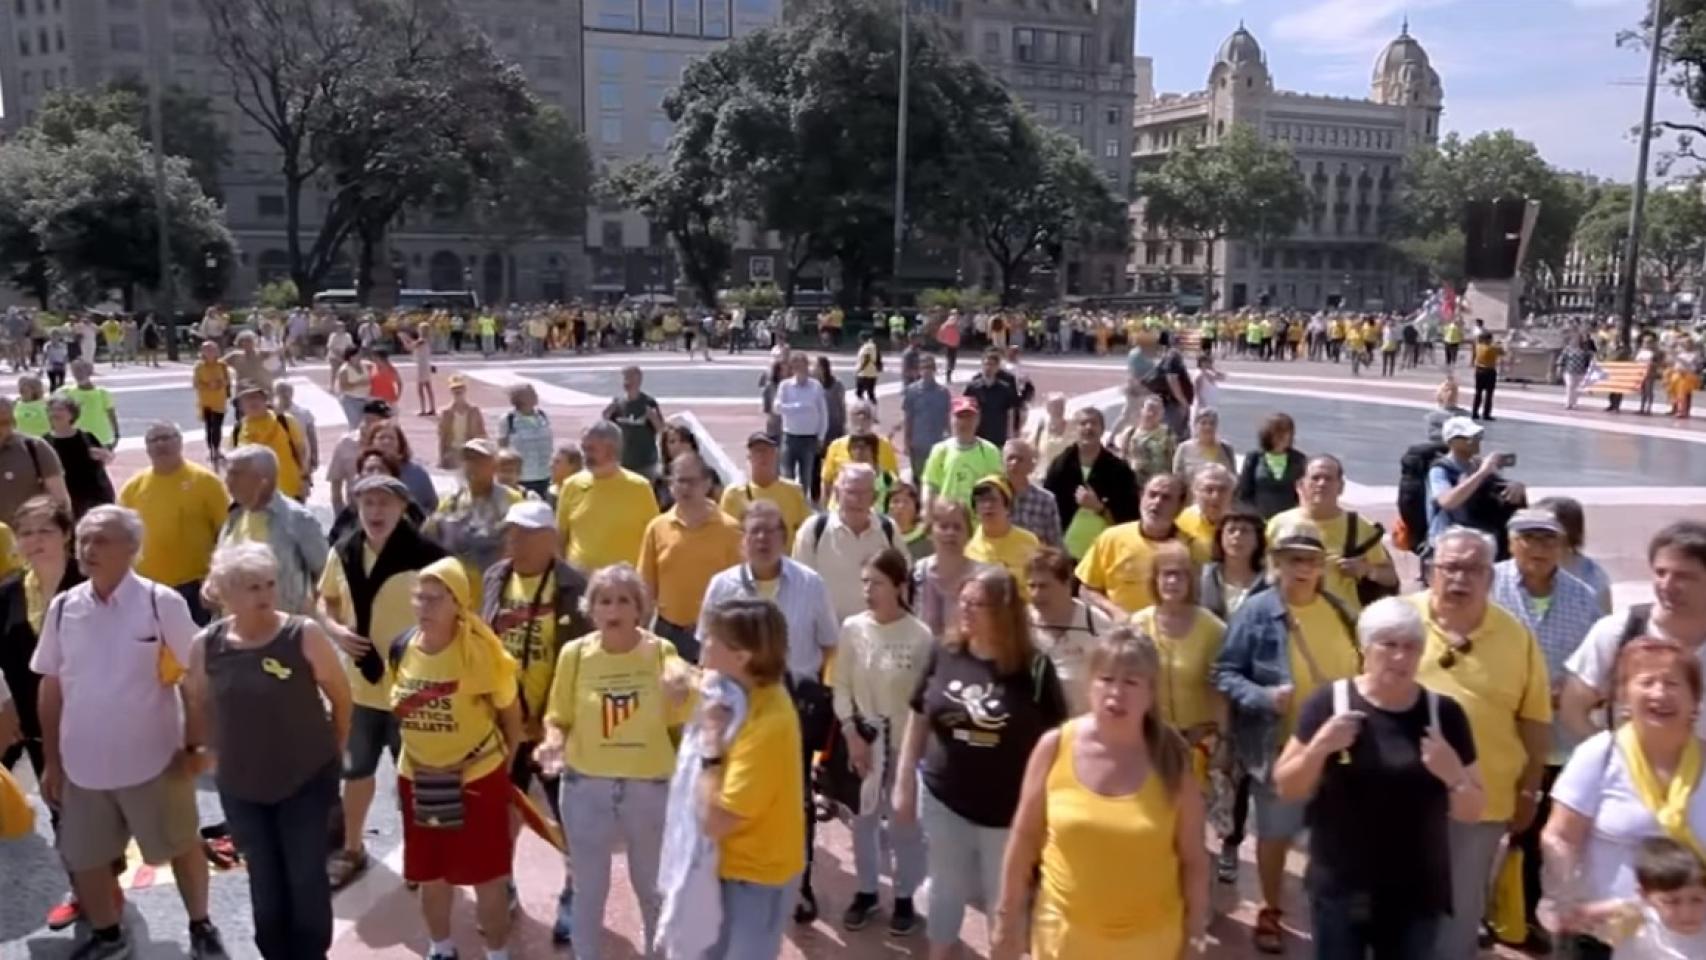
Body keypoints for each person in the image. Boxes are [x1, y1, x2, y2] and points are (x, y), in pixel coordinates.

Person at [31, 506, 229, 960]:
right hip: (83, 764)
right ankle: (108, 935)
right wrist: (52, 762)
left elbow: (196, 679)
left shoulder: (162, 604)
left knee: (182, 845)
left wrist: (197, 744)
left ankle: (201, 926)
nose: (87, 549)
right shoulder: (64, 607)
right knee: (85, 857)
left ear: (132, 549)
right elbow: (51, 685)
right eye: (83, 539)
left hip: (155, 758)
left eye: (100, 539)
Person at [1273, 597, 1484, 960]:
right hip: (1340, 887)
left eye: (1411, 647)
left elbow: (1472, 810)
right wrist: (1319, 748)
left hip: (1416, 892)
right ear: (1365, 648)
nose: (1401, 658)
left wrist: (1452, 774)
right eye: (1389, 645)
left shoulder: (1443, 715)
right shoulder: (1330, 703)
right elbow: (1287, 786)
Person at [994, 628, 1210, 959]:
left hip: (1150, 944)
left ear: (1151, 693)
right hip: (1062, 941)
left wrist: (1195, 933)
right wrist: (1007, 920)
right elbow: (1024, 840)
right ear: (1089, 684)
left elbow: (1193, 859)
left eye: (1131, 682)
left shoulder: (1172, 759)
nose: (1116, 693)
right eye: (1106, 679)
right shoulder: (1054, 747)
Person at [184, 542, 351, 960]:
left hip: (306, 780)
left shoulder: (302, 635)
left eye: (269, 585)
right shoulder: (207, 645)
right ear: (225, 593)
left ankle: (312, 954)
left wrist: (337, 746)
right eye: (252, 587)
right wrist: (201, 748)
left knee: (305, 876)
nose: (265, 596)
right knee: (265, 880)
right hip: (242, 786)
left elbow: (340, 694)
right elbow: (198, 701)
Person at [893, 566, 1068, 960]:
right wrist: (904, 784)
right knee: (944, 888)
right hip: (944, 799)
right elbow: (919, 717)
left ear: (1004, 612)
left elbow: (1057, 741)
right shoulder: (944, 651)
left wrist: (1048, 809)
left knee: (1004, 900)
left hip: (1009, 813)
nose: (965, 610)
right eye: (963, 601)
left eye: (978, 604)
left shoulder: (1035, 669)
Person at [1213, 518, 1362, 954]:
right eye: (1293, 559)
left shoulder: (1339, 611)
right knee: (1275, 833)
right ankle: (1272, 908)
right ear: (1277, 562)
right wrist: (1261, 695)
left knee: (1329, 834)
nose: (1303, 568)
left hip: (1338, 748)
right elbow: (1223, 672)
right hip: (1279, 744)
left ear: (1322, 566)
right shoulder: (1257, 611)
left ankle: (1324, 907)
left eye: (1311, 560)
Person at [534, 564, 693, 960]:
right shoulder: (575, 655)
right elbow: (558, 716)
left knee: (653, 889)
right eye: (605, 600)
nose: (614, 608)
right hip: (586, 787)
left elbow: (682, 708)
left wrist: (682, 690)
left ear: (639, 608)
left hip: (649, 788)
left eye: (624, 599)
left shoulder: (661, 653)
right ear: (592, 609)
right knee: (589, 890)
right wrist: (553, 743)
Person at [1410, 527, 1554, 959]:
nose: (1460, 578)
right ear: (1431, 572)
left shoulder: (1517, 637)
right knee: (1393, 902)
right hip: (1397, 795)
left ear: (1490, 578)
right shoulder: (1394, 621)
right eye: (1450, 567)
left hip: (1482, 799)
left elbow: (1535, 719)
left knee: (1460, 908)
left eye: (1473, 569)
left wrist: (1529, 788)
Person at [699, 500, 839, 921]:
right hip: (732, 709)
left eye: (771, 531)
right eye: (754, 531)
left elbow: (831, 644)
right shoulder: (721, 587)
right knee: (729, 793)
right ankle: (728, 879)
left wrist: (825, 702)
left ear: (784, 537)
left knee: (795, 800)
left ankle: (800, 884)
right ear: (742, 539)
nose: (762, 539)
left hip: (791, 707)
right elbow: (705, 650)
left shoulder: (811, 584)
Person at [318, 474, 447, 891]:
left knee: (415, 778)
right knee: (356, 773)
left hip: (412, 688)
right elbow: (325, 600)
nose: (375, 511)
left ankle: (419, 850)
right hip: (360, 687)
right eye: (368, 502)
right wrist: (335, 630)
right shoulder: (344, 551)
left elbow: (455, 613)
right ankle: (353, 849)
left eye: (384, 503)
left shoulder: (428, 557)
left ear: (402, 507)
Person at [390, 557, 523, 960]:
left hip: (477, 779)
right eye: (419, 597)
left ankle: (496, 954)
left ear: (457, 603)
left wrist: (504, 766)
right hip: (418, 778)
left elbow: (511, 717)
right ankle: (441, 948)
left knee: (488, 878)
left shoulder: (483, 654)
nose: (423, 607)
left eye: (434, 599)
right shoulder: (401, 647)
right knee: (432, 877)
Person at [1543, 637, 1706, 960]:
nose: (1660, 694)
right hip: (1608, 938)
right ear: (1624, 697)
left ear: (1695, 700)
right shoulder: (1599, 754)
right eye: (1647, 682)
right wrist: (1567, 897)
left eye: (1672, 683)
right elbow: (1560, 836)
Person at [689, 597, 807, 960]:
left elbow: (717, 821)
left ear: (740, 657)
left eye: (711, 638)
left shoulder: (769, 725)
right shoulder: (740, 689)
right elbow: (694, 678)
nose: (702, 643)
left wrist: (710, 748)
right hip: (726, 869)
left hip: (757, 880)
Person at [0, 496, 94, 931]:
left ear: (67, 535)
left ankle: (103, 879)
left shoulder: (92, 584)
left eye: (45, 531)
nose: (35, 541)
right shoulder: (7, 594)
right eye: (26, 533)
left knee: (104, 808)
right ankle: (84, 890)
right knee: (60, 805)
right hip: (40, 725)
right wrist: (4, 706)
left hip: (99, 717)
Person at [832, 549, 933, 935]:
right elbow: (841, 686)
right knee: (863, 820)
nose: (868, 591)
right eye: (865, 583)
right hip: (863, 740)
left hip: (904, 746)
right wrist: (851, 733)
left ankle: (905, 896)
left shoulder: (920, 636)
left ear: (899, 586)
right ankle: (867, 891)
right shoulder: (853, 628)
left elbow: (925, 700)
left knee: (906, 822)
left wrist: (913, 753)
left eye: (876, 583)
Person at [1561, 520, 1706, 743]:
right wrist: (1613, 758)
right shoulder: (1619, 632)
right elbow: (1573, 708)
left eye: (1683, 576)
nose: (1667, 585)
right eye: (1660, 573)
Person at [118, 422, 230, 624]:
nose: (161, 444)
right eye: (154, 440)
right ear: (147, 448)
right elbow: (121, 537)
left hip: (194, 584)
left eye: (167, 437)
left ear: (180, 441)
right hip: (148, 586)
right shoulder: (133, 488)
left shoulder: (206, 482)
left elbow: (226, 533)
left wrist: (217, 578)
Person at [639, 453, 743, 662]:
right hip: (668, 632)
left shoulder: (731, 530)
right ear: (671, 485)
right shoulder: (656, 528)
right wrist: (640, 635)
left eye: (692, 481)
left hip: (716, 635)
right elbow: (646, 589)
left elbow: (742, 590)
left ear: (706, 484)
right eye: (680, 481)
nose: (686, 488)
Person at [1131, 541, 1228, 764]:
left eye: (1180, 575)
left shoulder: (1213, 629)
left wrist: (1221, 738)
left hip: (1201, 743)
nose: (1172, 581)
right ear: (1155, 580)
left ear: (1191, 580)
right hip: (1150, 740)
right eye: (1166, 574)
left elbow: (1223, 691)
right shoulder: (1137, 625)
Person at [1267, 455, 1398, 614]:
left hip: (1342, 621)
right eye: (1315, 478)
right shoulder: (1278, 524)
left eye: (1328, 478)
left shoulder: (1359, 527)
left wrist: (1366, 569)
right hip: (1288, 617)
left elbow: (1390, 577)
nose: (1321, 484)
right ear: (1300, 485)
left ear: (1340, 487)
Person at [219, 445, 329, 615]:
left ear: (263, 481)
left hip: (283, 632)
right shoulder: (234, 517)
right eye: (228, 473)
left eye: (236, 474)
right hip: (239, 632)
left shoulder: (296, 520)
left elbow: (326, 575)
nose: (227, 481)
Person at [1076, 473, 1197, 619]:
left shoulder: (1190, 547)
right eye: (1152, 495)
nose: (1157, 502)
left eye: (1166, 498)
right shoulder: (1111, 538)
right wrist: (1115, 612)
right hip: (1120, 631)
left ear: (1180, 506)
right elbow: (1086, 589)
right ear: (1141, 497)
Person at [556, 419, 660, 573]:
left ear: (612, 450)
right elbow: (560, 538)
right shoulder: (571, 485)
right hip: (579, 584)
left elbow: (655, 538)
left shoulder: (640, 488)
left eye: (591, 449)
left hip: (623, 586)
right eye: (584, 449)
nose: (585, 455)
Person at [1042, 406, 1139, 560]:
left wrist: (1099, 508)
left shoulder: (1119, 470)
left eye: (1094, 423)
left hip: (1104, 554)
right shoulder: (1061, 466)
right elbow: (1046, 511)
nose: (1088, 428)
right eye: (1083, 423)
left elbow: (1130, 519)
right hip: (1064, 556)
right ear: (1074, 429)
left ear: (1102, 430)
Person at [1027, 546, 1115, 716]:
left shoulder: (1096, 624)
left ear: (1067, 584)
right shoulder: (1022, 623)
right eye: (1032, 586)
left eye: (1044, 586)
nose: (1036, 594)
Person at [1427, 416, 1526, 555]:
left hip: (1478, 533)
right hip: (1449, 538)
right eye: (1470, 437)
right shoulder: (1440, 469)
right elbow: (1447, 501)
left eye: (1478, 436)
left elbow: (1497, 486)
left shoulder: (1476, 463)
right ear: (1453, 442)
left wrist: (1516, 486)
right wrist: (1482, 473)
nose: (1477, 440)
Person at [912, 498, 989, 638]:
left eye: (957, 527)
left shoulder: (983, 577)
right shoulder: (916, 574)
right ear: (930, 532)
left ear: (969, 534)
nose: (950, 533)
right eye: (944, 526)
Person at [719, 432, 812, 544]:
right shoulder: (733, 494)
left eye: (766, 450)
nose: (762, 455)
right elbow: (724, 534)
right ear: (749, 457)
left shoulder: (793, 491)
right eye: (757, 451)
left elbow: (807, 530)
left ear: (775, 455)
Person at [919, 396, 1004, 512]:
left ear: (978, 419)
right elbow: (930, 486)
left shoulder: (990, 451)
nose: (964, 422)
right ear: (951, 419)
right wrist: (928, 512)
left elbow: (997, 488)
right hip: (949, 522)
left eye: (969, 417)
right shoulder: (940, 450)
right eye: (960, 417)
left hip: (979, 522)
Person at [966, 475, 1042, 599]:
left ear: (1007, 507)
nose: (987, 505)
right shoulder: (968, 548)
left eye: (993, 499)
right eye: (981, 501)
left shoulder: (1029, 541)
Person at [233, 382, 312, 502]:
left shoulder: (285, 421)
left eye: (256, 397)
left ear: (265, 400)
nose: (252, 402)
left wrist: (305, 478)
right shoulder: (238, 430)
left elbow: (302, 451)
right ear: (240, 406)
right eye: (247, 399)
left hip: (290, 492)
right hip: (257, 498)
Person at [1537, 495, 1615, 613]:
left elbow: (1602, 621)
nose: (1537, 538)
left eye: (1547, 532)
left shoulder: (1593, 577)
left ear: (1570, 532)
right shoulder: (1514, 571)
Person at [0, 396, 69, 525]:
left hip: (26, 538)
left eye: (3, 423)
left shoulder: (35, 448)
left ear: (14, 422)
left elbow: (60, 500)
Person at [45, 395, 115, 519]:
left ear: (72, 414)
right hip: (64, 496)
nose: (55, 413)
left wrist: (103, 455)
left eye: (60, 409)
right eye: (52, 410)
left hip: (93, 495)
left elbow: (107, 458)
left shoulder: (86, 437)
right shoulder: (45, 442)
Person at [773, 353, 828, 501]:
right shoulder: (785, 386)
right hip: (790, 436)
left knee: (806, 476)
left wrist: (821, 436)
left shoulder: (815, 387)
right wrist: (799, 407)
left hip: (809, 437)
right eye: (795, 364)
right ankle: (788, 503)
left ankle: (801, 505)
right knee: (787, 474)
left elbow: (823, 413)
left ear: (806, 365)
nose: (799, 367)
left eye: (802, 364)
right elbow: (777, 408)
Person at [1236, 412, 1308, 520]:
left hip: (1290, 520)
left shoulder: (1299, 459)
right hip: (1259, 519)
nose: (1284, 436)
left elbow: (1304, 493)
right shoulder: (1254, 458)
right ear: (1267, 434)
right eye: (1279, 431)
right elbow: (1244, 492)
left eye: (1287, 431)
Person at [820, 399, 900, 495]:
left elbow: (893, 480)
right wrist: (826, 508)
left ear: (872, 420)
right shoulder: (836, 446)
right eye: (856, 415)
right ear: (849, 418)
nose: (861, 421)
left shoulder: (884, 445)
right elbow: (827, 481)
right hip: (841, 504)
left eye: (866, 416)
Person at [603, 366, 666, 480]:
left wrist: (652, 417)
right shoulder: (617, 403)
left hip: (645, 463)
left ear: (639, 380)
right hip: (623, 462)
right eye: (625, 378)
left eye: (631, 378)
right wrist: (606, 414)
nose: (627, 382)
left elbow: (662, 429)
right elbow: (606, 428)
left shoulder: (648, 402)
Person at [896, 354, 951, 480]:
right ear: (919, 370)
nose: (927, 371)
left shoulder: (943, 392)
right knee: (919, 478)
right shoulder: (912, 391)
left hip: (938, 443)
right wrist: (906, 442)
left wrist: (950, 438)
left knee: (937, 479)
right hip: (918, 443)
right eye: (924, 367)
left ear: (935, 370)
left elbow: (947, 418)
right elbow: (908, 418)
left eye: (930, 367)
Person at [496, 384, 554, 499]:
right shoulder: (508, 420)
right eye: (531, 393)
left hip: (545, 475)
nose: (536, 395)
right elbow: (502, 449)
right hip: (523, 478)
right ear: (520, 398)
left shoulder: (542, 416)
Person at [1002, 438, 1062, 548]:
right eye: (1010, 458)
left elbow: (1055, 544)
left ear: (1031, 467)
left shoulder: (1046, 501)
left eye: (1020, 459)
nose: (1014, 463)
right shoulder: (994, 496)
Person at [962, 347, 1024, 447]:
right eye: (986, 364)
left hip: (998, 434)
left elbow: (1013, 409)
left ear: (997, 366)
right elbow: (965, 407)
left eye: (992, 365)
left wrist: (1014, 430)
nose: (988, 368)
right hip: (978, 433)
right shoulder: (973, 386)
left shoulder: (1006, 387)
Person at [56, 358, 119, 449]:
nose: (78, 374)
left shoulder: (102, 393)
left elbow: (112, 415)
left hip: (100, 438)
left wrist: (116, 435)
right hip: (74, 438)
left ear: (90, 372)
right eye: (75, 371)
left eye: (81, 370)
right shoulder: (64, 392)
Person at [1118, 396, 1176, 491]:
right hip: (1136, 484)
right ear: (1142, 410)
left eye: (1156, 411)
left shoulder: (1167, 433)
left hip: (1160, 484)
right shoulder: (1130, 432)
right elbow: (1122, 458)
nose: (1151, 413)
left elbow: (1174, 459)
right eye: (1149, 409)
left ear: (1162, 414)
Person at [1177, 462, 1236, 549]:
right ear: (1195, 492)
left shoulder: (1247, 525)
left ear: (1232, 492)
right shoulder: (1181, 521)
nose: (1216, 496)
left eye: (1222, 489)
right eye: (1209, 489)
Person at [436, 374, 488, 470]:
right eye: (455, 389)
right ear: (451, 391)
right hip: (452, 454)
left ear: (465, 390)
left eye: (460, 388)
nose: (458, 391)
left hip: (470, 452)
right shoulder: (445, 413)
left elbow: (482, 434)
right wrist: (441, 457)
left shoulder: (474, 411)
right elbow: (442, 437)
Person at [193, 342, 232, 467]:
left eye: (212, 349)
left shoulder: (222, 365)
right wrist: (207, 385)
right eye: (206, 350)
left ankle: (217, 448)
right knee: (209, 426)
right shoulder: (199, 367)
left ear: (217, 351)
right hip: (205, 401)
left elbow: (227, 380)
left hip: (219, 400)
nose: (209, 352)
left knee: (217, 426)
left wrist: (221, 384)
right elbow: (195, 383)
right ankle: (211, 449)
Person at [1025, 392, 1074, 484]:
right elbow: (1028, 449)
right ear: (1047, 408)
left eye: (1061, 405)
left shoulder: (1074, 428)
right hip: (1044, 478)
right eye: (1054, 406)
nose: (1058, 409)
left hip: (1068, 479)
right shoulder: (1040, 429)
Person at [1173, 407, 1235, 478]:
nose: (1208, 427)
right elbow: (1177, 476)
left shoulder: (1226, 448)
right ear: (1195, 426)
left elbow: (1233, 476)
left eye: (1212, 423)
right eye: (1203, 423)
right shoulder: (1184, 448)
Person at [888, 481, 932, 561]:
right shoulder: (883, 535)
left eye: (906, 501)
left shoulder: (928, 537)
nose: (900, 506)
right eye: (895, 501)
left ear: (916, 508)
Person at [1472, 331, 1504, 421]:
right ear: (1490, 339)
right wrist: (1499, 344)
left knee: (1478, 393)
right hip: (1489, 371)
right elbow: (1503, 353)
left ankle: (1474, 412)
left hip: (1479, 371)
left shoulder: (1478, 346)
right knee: (1489, 394)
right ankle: (1486, 414)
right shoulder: (1493, 348)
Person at [854, 330, 881, 406]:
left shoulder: (867, 346)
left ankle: (862, 408)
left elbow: (867, 358)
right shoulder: (873, 346)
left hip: (864, 374)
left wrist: (859, 370)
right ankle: (873, 410)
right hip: (872, 373)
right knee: (870, 393)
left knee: (859, 393)